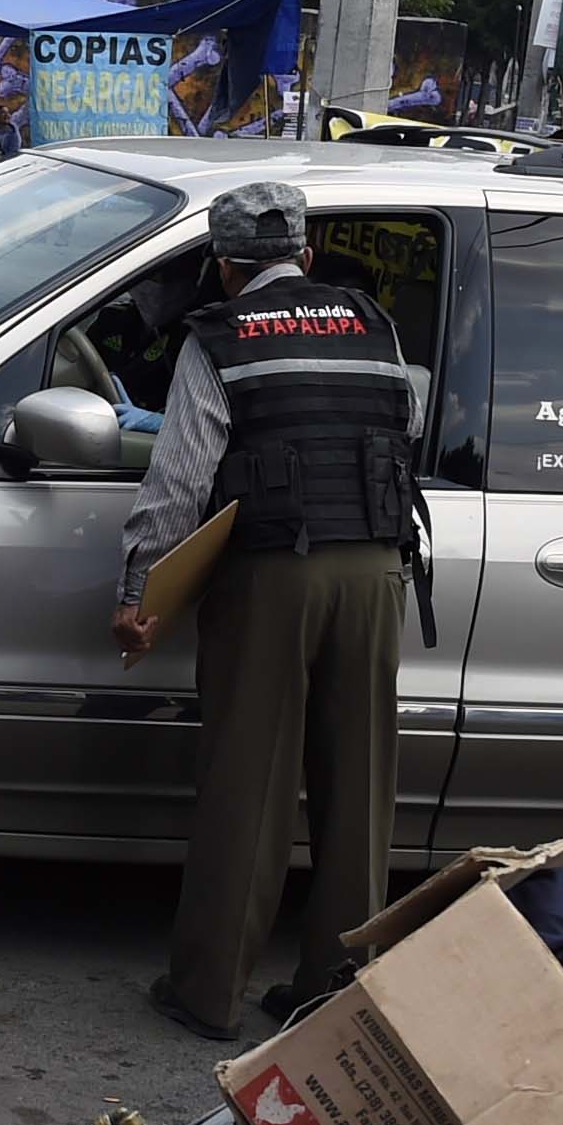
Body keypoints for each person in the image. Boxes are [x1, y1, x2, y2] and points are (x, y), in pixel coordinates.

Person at [108, 180, 427, 1045]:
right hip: (373, 571)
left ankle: (208, 991)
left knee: (248, 783)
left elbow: (177, 480)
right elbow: (404, 425)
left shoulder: (217, 338)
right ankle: (336, 987)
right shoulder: (375, 324)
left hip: (270, 574)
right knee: (358, 786)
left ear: (222, 266)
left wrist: (141, 591)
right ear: (308, 258)